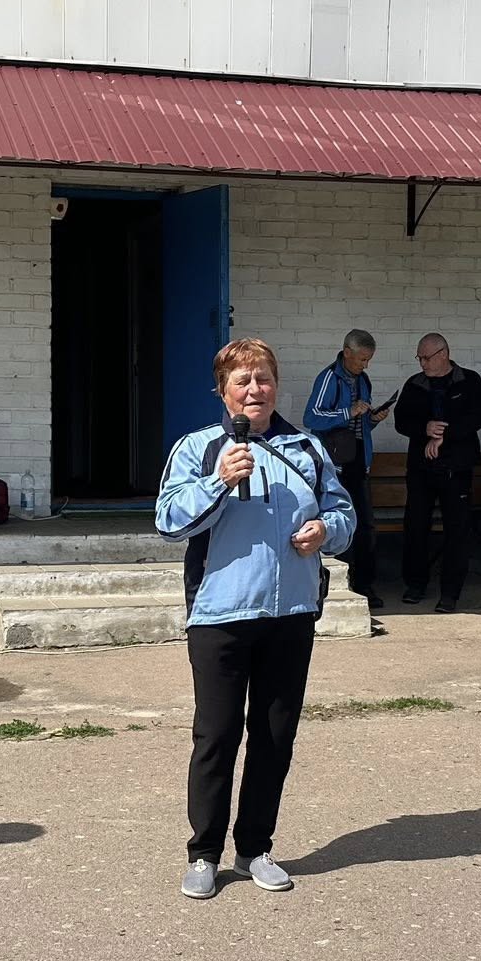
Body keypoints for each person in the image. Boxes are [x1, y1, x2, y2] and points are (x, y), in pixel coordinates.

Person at [156, 338, 356, 900]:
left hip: (291, 614)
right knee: (216, 737)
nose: (254, 389)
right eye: (241, 380)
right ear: (222, 390)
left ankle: (254, 849)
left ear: (276, 385)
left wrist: (326, 531)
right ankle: (203, 854)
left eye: (263, 378)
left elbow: (343, 512)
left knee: (273, 737)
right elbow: (169, 522)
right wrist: (218, 481)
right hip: (219, 614)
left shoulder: (308, 447)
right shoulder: (198, 448)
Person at [393, 333, 481, 613]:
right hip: (421, 468)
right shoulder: (415, 384)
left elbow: (477, 417)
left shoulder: (469, 380)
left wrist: (444, 435)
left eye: (427, 357)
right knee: (416, 526)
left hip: (456, 467)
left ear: (443, 354)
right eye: (419, 358)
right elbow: (401, 421)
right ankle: (415, 584)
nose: (422, 363)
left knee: (457, 530)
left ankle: (450, 592)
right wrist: (425, 429)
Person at [304, 330, 389, 608]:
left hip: (358, 460)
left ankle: (365, 586)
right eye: (362, 359)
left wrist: (373, 418)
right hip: (335, 464)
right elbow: (311, 417)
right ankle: (341, 585)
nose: (365, 365)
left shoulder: (363, 380)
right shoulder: (329, 378)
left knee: (366, 525)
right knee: (339, 523)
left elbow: (360, 426)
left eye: (369, 359)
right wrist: (347, 412)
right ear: (347, 352)